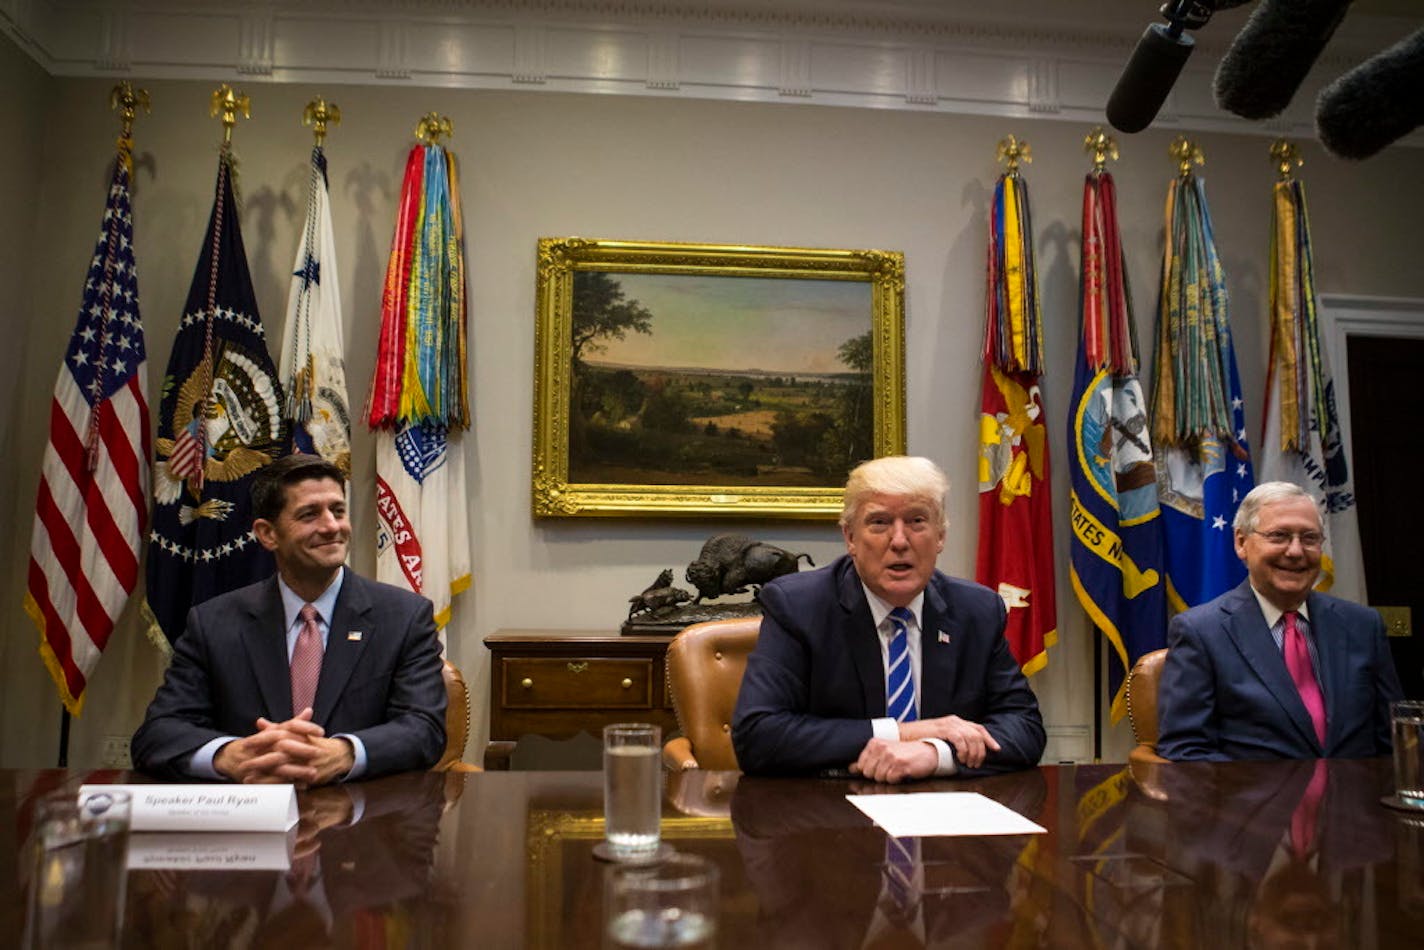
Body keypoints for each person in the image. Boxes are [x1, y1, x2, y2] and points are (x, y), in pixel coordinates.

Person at [132, 454, 446, 785]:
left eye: (338, 511)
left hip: (363, 818)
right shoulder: (213, 623)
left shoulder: (404, 617)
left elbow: (424, 729)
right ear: (268, 534)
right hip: (251, 818)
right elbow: (157, 734)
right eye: (309, 514)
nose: (331, 527)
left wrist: (343, 753)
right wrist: (231, 755)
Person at [731, 455, 1045, 781]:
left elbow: (1024, 729)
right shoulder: (798, 606)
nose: (899, 541)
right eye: (879, 522)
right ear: (850, 537)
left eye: (917, 521)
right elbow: (758, 737)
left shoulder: (977, 611)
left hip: (945, 816)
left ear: (940, 536)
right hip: (829, 815)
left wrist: (933, 753)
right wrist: (905, 733)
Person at [1157, 480, 1403, 761]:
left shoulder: (1363, 625)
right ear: (1241, 542)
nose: (1296, 551)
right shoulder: (1201, 632)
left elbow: (1395, 739)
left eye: (1309, 538)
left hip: (1353, 800)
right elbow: (1185, 751)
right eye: (1279, 536)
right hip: (1258, 803)